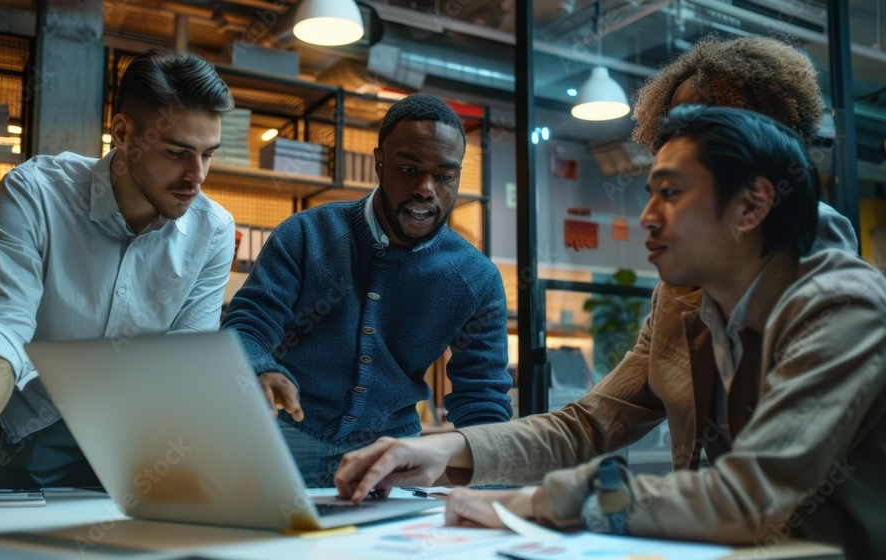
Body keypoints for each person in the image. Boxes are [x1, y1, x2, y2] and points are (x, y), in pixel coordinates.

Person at [335, 106, 886, 558]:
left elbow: (748, 497)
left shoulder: (841, 306)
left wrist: (535, 503)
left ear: (751, 205)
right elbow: (589, 423)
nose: (646, 216)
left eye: (669, 193)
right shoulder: (685, 301)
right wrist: (444, 448)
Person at [0, 49, 237, 527]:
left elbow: (182, 358)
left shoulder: (214, 231)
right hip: (28, 425)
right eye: (177, 152)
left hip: (134, 441)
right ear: (123, 132)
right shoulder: (33, 194)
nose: (196, 176)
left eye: (208, 154)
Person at [223, 93, 513, 487]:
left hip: (391, 454)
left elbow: (482, 402)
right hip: (282, 437)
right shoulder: (307, 234)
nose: (426, 189)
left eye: (445, 176)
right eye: (409, 169)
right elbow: (247, 326)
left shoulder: (476, 279)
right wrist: (260, 367)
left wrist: (485, 493)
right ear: (379, 163)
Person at [631, 33, 857, 252]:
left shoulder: (815, 224)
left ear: (756, 121)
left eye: (708, 117)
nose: (685, 134)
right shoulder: (690, 235)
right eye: (678, 121)